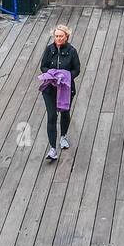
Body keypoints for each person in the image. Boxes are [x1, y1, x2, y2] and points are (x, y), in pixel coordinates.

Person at [39, 25, 81, 162]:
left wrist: (65, 76)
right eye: (56, 36)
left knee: (65, 113)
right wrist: (51, 74)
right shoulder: (49, 49)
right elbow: (43, 66)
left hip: (66, 88)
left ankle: (63, 136)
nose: (58, 38)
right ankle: (52, 148)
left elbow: (77, 69)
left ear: (66, 37)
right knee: (51, 116)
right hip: (50, 88)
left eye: (61, 36)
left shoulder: (72, 51)